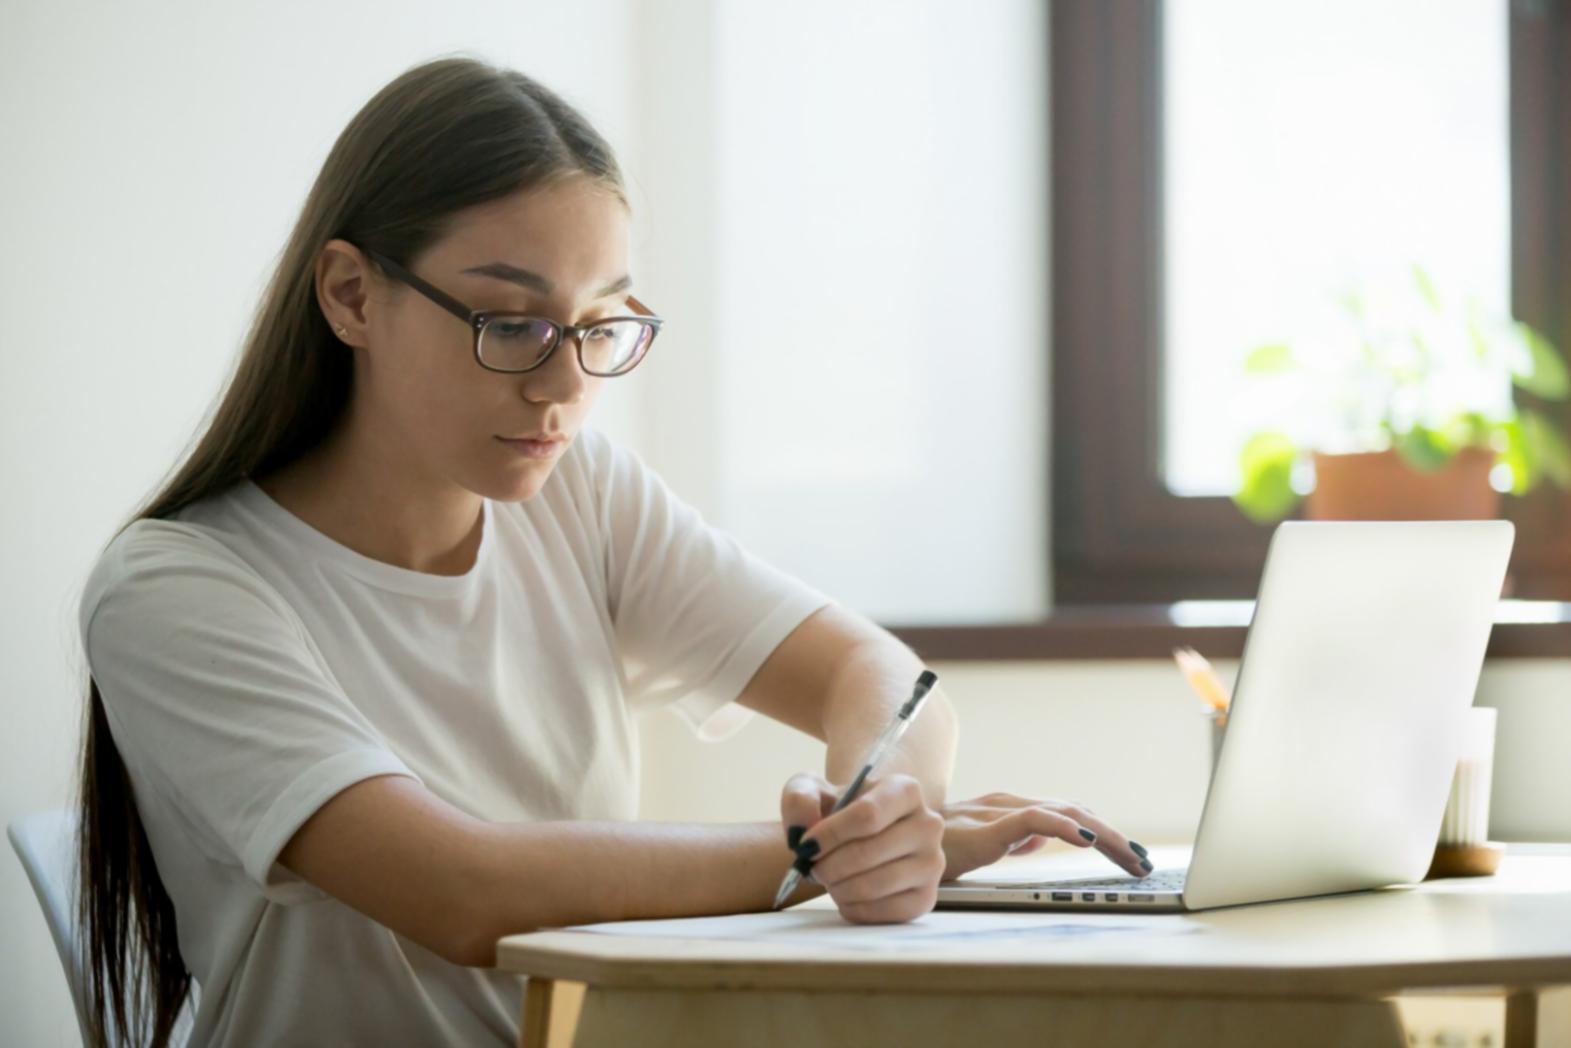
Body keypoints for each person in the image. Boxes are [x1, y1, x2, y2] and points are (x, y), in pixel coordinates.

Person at [74, 55, 1151, 1048]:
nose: (562, 387)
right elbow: (462, 891)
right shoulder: (178, 588)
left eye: (598, 325)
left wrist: (887, 811)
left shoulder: (577, 491)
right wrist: (822, 859)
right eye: (511, 324)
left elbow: (875, 675)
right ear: (351, 295)